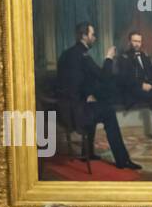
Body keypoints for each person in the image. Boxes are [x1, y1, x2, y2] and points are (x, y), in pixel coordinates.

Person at [55, 22, 140, 171]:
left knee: (96, 103)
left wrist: (86, 94)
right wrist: (108, 57)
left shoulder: (66, 54)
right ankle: (122, 160)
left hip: (63, 112)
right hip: (77, 113)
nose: (95, 38)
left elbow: (69, 83)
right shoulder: (83, 56)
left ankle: (87, 152)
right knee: (108, 112)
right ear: (84, 36)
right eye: (92, 34)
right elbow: (103, 77)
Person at [114, 30, 152, 144]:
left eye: (139, 41)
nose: (137, 44)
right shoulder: (123, 57)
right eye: (134, 41)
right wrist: (141, 85)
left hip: (147, 88)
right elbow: (124, 79)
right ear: (129, 42)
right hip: (132, 89)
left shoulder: (144, 56)